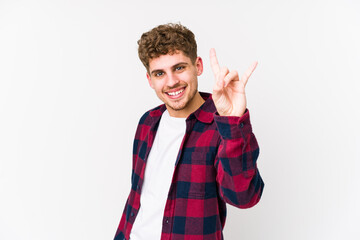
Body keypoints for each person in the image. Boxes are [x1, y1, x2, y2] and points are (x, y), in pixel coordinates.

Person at [114, 23, 264, 240]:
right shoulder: (147, 122)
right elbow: (138, 199)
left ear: (198, 66)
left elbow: (244, 197)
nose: (172, 82)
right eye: (159, 73)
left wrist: (232, 122)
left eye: (179, 68)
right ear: (150, 80)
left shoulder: (221, 126)